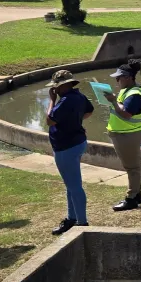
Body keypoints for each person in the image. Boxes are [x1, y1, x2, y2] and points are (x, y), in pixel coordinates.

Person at [45, 69, 94, 235]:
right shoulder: (78, 96)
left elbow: (49, 120)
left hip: (67, 148)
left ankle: (82, 223)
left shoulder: (64, 101)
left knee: (74, 186)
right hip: (77, 143)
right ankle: (72, 218)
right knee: (70, 184)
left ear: (62, 86)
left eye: (56, 87)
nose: (54, 90)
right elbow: (89, 111)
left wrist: (51, 101)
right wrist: (75, 122)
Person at [105, 61, 141, 212]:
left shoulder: (135, 94)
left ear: (129, 77)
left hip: (128, 135)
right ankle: (137, 195)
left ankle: (131, 199)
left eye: (119, 78)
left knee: (133, 168)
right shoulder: (127, 90)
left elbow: (127, 114)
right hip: (126, 134)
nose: (117, 81)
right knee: (136, 166)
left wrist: (113, 102)